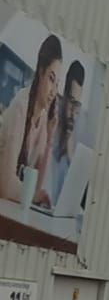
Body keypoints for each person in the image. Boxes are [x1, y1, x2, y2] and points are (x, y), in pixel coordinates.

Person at [0, 33, 62, 208]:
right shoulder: (21, 105)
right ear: (40, 72)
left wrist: (50, 139)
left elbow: (36, 187)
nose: (53, 91)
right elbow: (5, 185)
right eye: (51, 78)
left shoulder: (42, 119)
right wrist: (33, 196)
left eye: (57, 84)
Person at [38, 58, 85, 208]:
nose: (73, 113)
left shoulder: (72, 138)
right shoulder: (49, 123)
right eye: (71, 102)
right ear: (63, 97)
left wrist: (72, 158)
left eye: (77, 105)